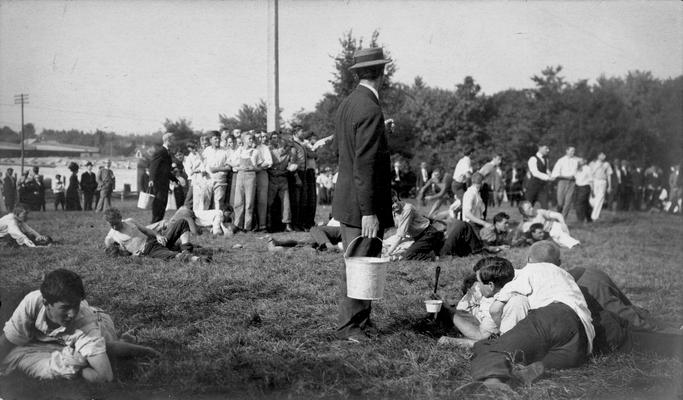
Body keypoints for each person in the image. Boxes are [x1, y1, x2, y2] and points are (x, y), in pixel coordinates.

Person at [332, 47, 393, 342]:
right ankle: (351, 327)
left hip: (349, 197)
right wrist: (369, 210)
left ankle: (361, 322)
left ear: (357, 73)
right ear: (383, 73)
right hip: (361, 203)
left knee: (358, 261)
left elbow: (349, 153)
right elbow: (365, 163)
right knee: (360, 262)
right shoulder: (369, 108)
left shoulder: (347, 104)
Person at [0, 269, 159, 381]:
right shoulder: (32, 302)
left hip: (98, 321)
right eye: (65, 308)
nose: (72, 313)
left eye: (76, 305)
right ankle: (108, 348)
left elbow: (104, 376)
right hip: (53, 341)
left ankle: (132, 346)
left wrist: (80, 370)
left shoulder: (83, 320)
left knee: (94, 353)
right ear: (46, 303)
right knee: (17, 357)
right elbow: (9, 338)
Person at [470, 255, 594, 389]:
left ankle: (493, 385)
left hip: (552, 316)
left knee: (487, 347)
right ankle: (530, 371)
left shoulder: (525, 273)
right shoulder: (564, 274)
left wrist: (505, 336)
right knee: (537, 358)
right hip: (582, 339)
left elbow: (495, 309)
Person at [103, 208, 205, 262]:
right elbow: (115, 255)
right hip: (148, 250)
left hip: (155, 241)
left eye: (116, 224)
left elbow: (147, 231)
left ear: (120, 217)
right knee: (169, 255)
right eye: (111, 225)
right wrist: (133, 255)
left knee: (182, 222)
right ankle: (195, 259)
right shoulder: (111, 238)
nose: (114, 227)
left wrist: (158, 236)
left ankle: (186, 250)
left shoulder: (130, 221)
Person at [385, 190, 443, 261]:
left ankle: (433, 257)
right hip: (417, 236)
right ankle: (431, 249)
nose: (395, 204)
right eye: (391, 203)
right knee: (395, 245)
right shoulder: (394, 212)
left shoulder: (407, 209)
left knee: (408, 255)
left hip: (428, 234)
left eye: (396, 200)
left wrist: (389, 252)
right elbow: (390, 226)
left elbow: (400, 235)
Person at [233, 132, 264, 232]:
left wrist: (254, 168)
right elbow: (230, 162)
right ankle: (237, 225)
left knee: (249, 202)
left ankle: (247, 226)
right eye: (249, 139)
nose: (251, 141)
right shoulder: (239, 151)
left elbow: (261, 166)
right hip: (240, 175)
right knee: (238, 201)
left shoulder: (255, 152)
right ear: (243, 140)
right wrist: (238, 167)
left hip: (251, 176)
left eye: (252, 139)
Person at [266, 131, 294, 232]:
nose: (276, 140)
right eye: (273, 138)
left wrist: (291, 167)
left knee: (286, 202)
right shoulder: (268, 150)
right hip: (272, 178)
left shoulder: (289, 152)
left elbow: (292, 163)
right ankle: (268, 223)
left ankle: (287, 224)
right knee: (269, 202)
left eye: (277, 138)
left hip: (283, 178)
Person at [149, 133, 177, 223]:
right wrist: (151, 179)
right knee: (159, 206)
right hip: (159, 183)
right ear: (168, 140)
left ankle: (157, 226)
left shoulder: (166, 151)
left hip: (164, 183)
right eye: (173, 139)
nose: (174, 141)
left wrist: (175, 179)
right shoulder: (161, 151)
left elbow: (165, 170)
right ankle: (154, 228)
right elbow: (153, 166)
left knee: (162, 206)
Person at [202, 131, 231, 211]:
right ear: (210, 140)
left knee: (218, 202)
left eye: (219, 139)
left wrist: (217, 169)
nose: (217, 140)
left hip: (220, 180)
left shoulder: (225, 151)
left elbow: (229, 167)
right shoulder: (207, 150)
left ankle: (218, 221)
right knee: (205, 201)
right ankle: (204, 222)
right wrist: (203, 170)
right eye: (215, 139)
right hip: (208, 180)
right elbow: (203, 163)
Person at [253, 131, 274, 232]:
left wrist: (259, 167)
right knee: (250, 200)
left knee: (262, 200)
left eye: (259, 137)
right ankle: (252, 225)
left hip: (261, 173)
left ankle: (262, 225)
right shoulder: (248, 148)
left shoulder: (264, 148)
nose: (257, 139)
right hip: (249, 175)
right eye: (255, 137)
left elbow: (269, 162)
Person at [551, 146, 579, 218]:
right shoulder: (561, 160)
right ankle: (558, 217)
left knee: (568, 202)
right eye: (571, 151)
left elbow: (577, 172)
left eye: (574, 151)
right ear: (567, 151)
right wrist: (566, 177)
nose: (573, 152)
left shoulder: (576, 161)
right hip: (562, 181)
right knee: (560, 202)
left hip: (572, 183)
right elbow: (555, 173)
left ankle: (563, 219)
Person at [526, 144, 553, 208]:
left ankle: (544, 218)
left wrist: (551, 175)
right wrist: (548, 177)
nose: (548, 150)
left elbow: (547, 170)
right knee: (528, 208)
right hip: (532, 187)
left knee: (545, 207)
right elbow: (535, 173)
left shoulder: (546, 160)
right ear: (540, 148)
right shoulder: (533, 159)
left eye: (548, 148)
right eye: (546, 148)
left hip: (542, 188)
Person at [589, 152, 613, 221]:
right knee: (592, 199)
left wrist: (609, 186)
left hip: (603, 181)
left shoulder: (607, 164)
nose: (604, 156)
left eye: (604, 155)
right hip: (594, 181)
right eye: (602, 155)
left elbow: (609, 175)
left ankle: (594, 216)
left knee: (600, 198)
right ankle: (594, 212)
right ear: (598, 156)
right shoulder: (592, 163)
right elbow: (590, 173)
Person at [478, 154, 502, 220]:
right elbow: (480, 175)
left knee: (484, 206)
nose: (500, 161)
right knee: (483, 206)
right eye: (498, 159)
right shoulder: (489, 166)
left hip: (486, 187)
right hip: (483, 188)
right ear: (493, 158)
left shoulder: (493, 167)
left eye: (500, 159)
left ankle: (482, 220)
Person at [574, 158, 593, 223]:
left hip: (585, 187)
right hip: (577, 187)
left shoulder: (587, 168)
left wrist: (592, 190)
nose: (580, 162)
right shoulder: (576, 168)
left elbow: (591, 179)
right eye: (579, 161)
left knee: (579, 203)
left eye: (582, 160)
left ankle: (580, 220)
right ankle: (589, 218)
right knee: (585, 204)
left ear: (585, 161)